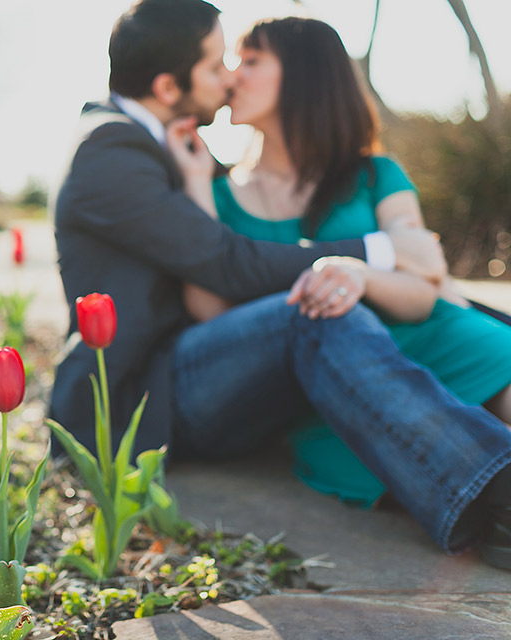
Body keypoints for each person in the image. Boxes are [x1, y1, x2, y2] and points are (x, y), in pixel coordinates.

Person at [49, 0, 511, 568]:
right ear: (169, 86)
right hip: (144, 395)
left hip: (235, 369)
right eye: (218, 64)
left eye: (240, 62)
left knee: (469, 332)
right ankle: (493, 484)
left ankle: (489, 478)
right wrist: (376, 252)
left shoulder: (167, 147)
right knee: (309, 309)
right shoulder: (111, 150)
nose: (228, 78)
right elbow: (229, 265)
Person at [172, 16, 511, 510]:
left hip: (444, 340)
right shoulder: (219, 196)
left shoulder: (375, 175)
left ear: (305, 73)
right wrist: (197, 184)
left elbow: (423, 292)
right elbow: (209, 311)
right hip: (345, 387)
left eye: (251, 60)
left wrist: (361, 273)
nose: (231, 76)